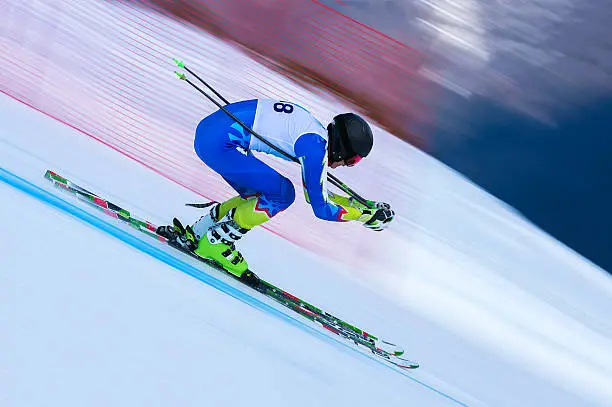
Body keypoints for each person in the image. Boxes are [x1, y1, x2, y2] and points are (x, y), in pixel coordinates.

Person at [159, 99, 394, 281]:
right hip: (221, 144)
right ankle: (215, 242)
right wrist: (364, 216)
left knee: (261, 196)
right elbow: (321, 208)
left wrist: (364, 207)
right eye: (352, 161)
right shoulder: (314, 148)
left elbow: (321, 193)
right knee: (283, 194)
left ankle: (200, 232)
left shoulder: (314, 134)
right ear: (344, 149)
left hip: (211, 135)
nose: (346, 166)